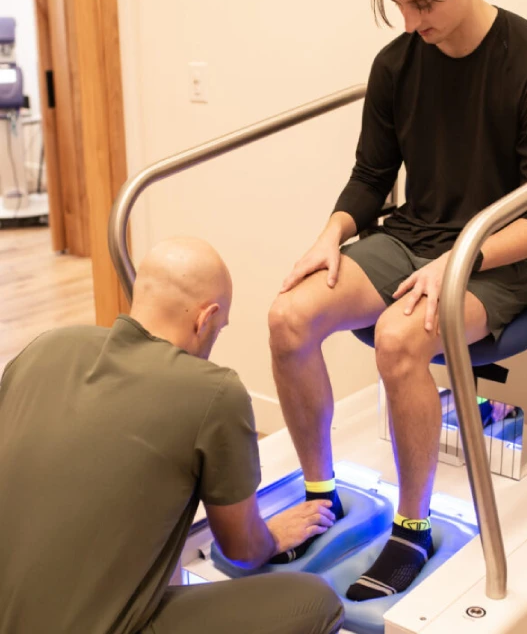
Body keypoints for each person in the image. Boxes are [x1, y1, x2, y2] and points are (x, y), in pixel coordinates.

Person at [268, 0, 527, 601]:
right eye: (402, 6)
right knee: (288, 316)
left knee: (399, 335)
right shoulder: (396, 64)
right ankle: (318, 496)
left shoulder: (523, 58)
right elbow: (371, 174)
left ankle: (413, 530)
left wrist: (461, 260)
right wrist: (331, 234)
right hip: (414, 236)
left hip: (504, 253)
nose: (412, 23)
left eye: (426, 4)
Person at [0, 236, 344, 634]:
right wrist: (270, 537)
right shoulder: (214, 392)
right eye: (220, 328)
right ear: (206, 319)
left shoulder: (43, 349)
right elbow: (242, 550)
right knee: (318, 603)